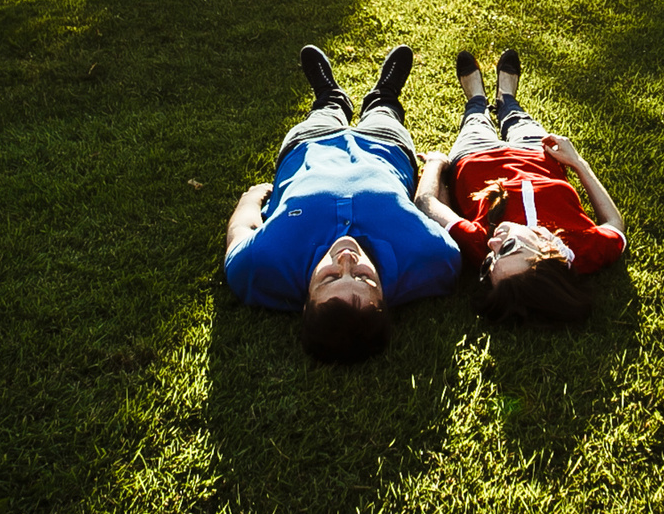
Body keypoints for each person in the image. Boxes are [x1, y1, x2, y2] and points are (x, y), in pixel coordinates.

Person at [225, 44, 469, 363]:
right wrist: (436, 168)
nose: (347, 261)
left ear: (305, 302)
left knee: (323, 113)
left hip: (309, 147)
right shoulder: (434, 260)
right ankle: (385, 93)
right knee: (385, 112)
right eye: (365, 278)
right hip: (386, 150)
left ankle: (330, 96)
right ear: (384, 295)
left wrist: (251, 197)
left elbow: (242, 231)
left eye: (329, 278)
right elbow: (433, 208)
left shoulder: (258, 267)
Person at [421, 49, 625, 324]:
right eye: (507, 249)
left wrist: (436, 164)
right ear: (547, 256)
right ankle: (507, 98)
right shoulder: (586, 250)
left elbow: (426, 203)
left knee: (475, 121)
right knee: (518, 118)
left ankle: (476, 99)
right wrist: (578, 163)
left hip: (476, 157)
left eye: (488, 265)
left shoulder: (483, 245)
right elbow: (613, 224)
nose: (493, 244)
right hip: (538, 154)